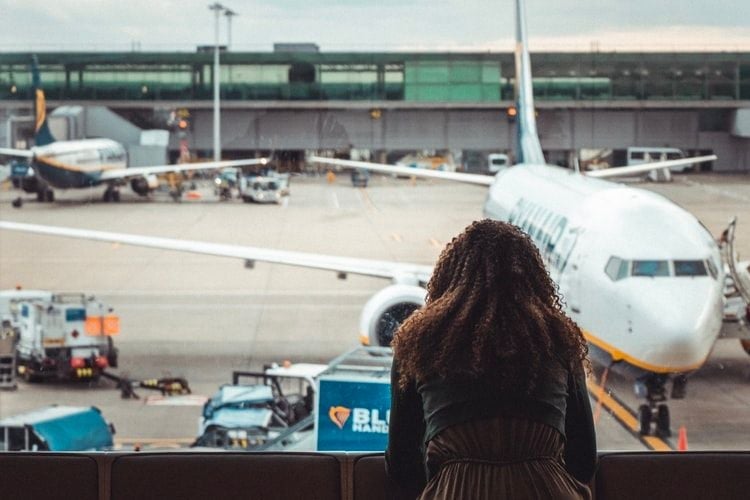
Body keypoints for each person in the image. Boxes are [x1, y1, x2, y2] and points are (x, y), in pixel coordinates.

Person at [385, 219, 596, 499]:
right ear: (532, 277)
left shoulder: (419, 342)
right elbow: (583, 460)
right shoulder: (560, 340)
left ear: (449, 276)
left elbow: (402, 461)